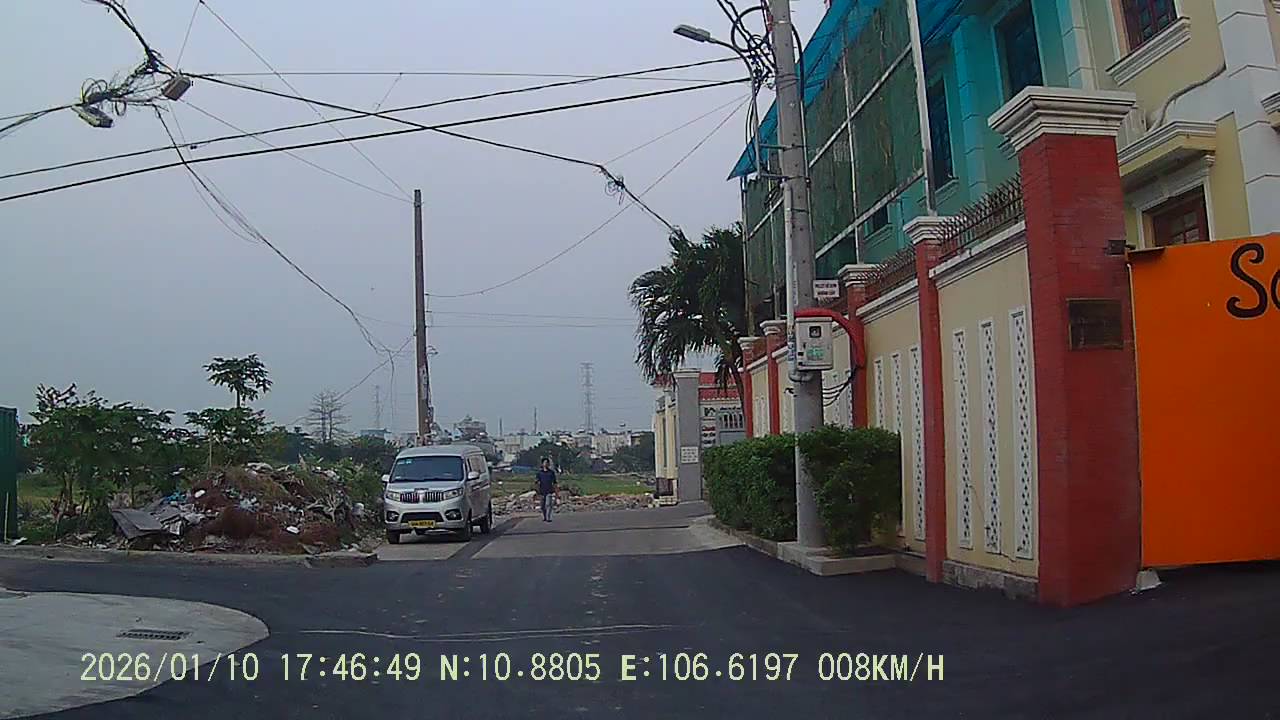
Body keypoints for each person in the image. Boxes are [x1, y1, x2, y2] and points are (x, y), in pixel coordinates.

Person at [535, 457, 558, 522]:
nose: (546, 464)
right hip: (542, 491)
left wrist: (556, 491)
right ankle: (545, 516)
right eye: (545, 462)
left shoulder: (551, 473)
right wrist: (537, 491)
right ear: (542, 464)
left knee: (548, 504)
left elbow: (554, 482)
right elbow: (536, 482)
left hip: (549, 490)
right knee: (542, 506)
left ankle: (548, 517)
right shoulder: (539, 473)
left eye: (547, 462)